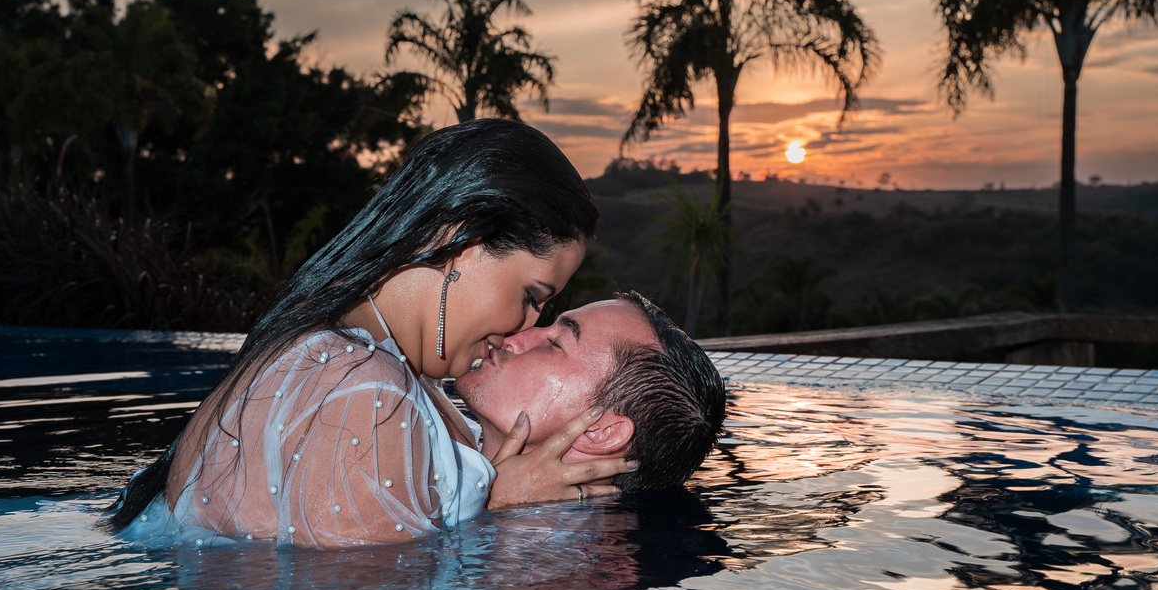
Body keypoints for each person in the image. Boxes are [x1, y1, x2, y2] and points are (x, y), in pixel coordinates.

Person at [103, 117, 630, 548]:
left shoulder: (336, 357)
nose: (525, 326)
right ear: (456, 239)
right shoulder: (366, 392)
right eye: (531, 297)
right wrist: (499, 509)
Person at [457, 291, 726, 497]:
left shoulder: (568, 560)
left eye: (554, 344)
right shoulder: (438, 434)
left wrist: (491, 508)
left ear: (599, 431)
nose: (513, 337)